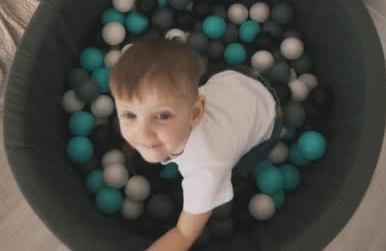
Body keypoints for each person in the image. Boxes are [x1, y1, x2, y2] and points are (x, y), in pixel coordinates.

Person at [109, 37, 282, 250]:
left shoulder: (207, 166)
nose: (143, 133)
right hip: (236, 77)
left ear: (195, 113)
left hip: (269, 116)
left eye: (162, 116)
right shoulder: (181, 103)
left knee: (239, 168)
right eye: (129, 115)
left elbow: (183, 233)